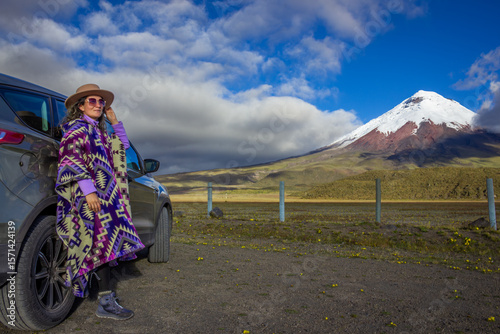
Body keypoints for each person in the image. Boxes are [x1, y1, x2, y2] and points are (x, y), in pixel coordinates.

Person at [55, 84, 145, 320]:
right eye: (91, 101)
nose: (97, 104)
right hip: (91, 197)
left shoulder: (97, 131)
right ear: (81, 106)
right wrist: (89, 191)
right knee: (100, 244)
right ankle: (105, 301)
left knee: (104, 244)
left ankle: (104, 297)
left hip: (106, 198)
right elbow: (71, 159)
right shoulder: (76, 129)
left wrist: (115, 122)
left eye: (100, 101)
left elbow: (122, 149)